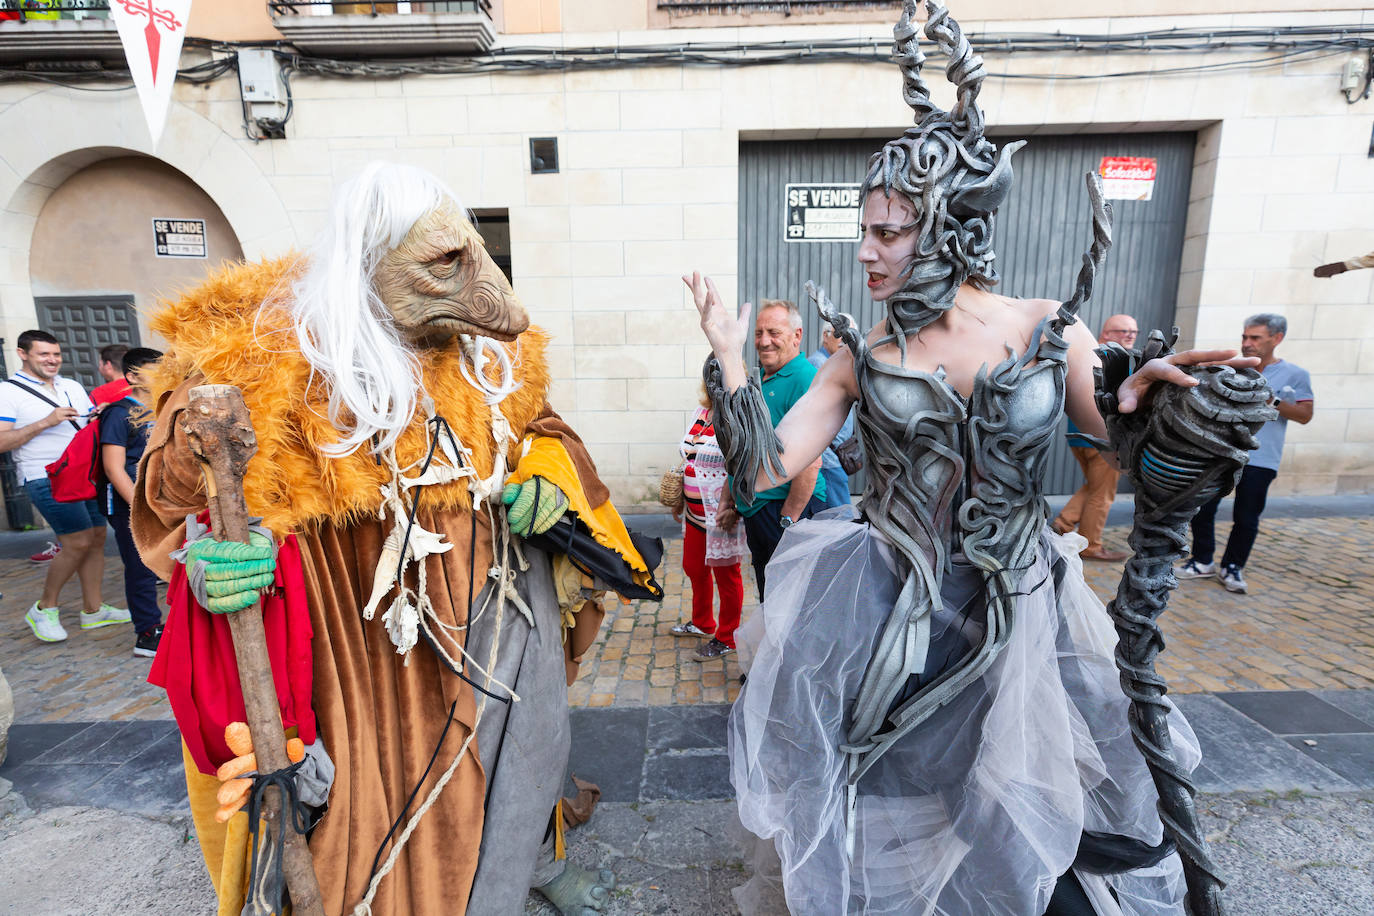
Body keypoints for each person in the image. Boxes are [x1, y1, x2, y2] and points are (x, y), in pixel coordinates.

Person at [685, 3, 1256, 912]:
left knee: (1038, 818)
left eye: (888, 231)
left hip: (1030, 613)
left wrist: (1159, 416)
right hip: (891, 613)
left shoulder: (1048, 331)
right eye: (865, 230)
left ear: (947, 225)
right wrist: (725, 358)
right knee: (898, 812)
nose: (865, 250)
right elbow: (760, 471)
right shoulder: (859, 355)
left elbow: (1131, 466)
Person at [132, 163, 653, 916]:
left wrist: (548, 473)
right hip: (359, 644)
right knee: (362, 803)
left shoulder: (496, 360)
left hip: (495, 612)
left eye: (474, 255)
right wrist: (210, 545)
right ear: (368, 263)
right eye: (443, 263)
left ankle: (533, 862)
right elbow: (172, 488)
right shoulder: (260, 356)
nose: (482, 287)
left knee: (523, 756)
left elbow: (544, 428)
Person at [0, 329, 125, 643]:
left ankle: (93, 611)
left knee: (97, 538)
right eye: (44, 354)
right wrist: (46, 421)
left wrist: (97, 417)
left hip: (83, 474)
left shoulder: (71, 385)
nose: (52, 360)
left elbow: (83, 428)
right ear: (23, 353)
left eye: (55, 354)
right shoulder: (8, 391)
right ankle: (44, 608)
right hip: (43, 476)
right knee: (77, 542)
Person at [1176, 313, 1313, 594]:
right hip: (1221, 453)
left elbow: (1304, 414)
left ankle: (1233, 566)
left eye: (1255, 338)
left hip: (1261, 459)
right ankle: (1202, 561)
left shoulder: (1296, 375)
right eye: (1245, 337)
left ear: (1277, 339)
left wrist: (1271, 400)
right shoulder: (1232, 368)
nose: (1247, 343)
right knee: (1202, 509)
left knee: (1247, 517)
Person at [732, 298, 826, 597]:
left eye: (773, 332)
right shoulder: (758, 377)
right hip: (759, 507)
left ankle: (789, 646)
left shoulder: (806, 378)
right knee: (769, 592)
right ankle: (773, 644)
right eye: (759, 333)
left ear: (797, 336)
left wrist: (789, 517)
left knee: (792, 597)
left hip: (785, 507)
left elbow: (811, 460)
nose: (763, 341)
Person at [669, 360, 748, 661]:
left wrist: (736, 507)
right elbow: (689, 457)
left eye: (723, 373)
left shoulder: (738, 416)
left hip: (721, 512)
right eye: (711, 374)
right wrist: (679, 498)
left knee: (727, 576)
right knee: (693, 567)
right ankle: (703, 622)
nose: (716, 379)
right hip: (693, 511)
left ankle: (728, 636)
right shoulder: (700, 413)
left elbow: (742, 465)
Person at [1051, 313, 1138, 561]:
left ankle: (1063, 523)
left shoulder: (1095, 353)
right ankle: (1091, 545)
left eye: (1133, 331)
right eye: (1123, 331)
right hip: (1104, 436)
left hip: (1081, 436)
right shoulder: (1108, 358)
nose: (1130, 335)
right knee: (1103, 493)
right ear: (1107, 333)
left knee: (1094, 486)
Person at [99, 347, 164, 658]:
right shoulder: (118, 412)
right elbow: (113, 467)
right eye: (155, 370)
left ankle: (163, 625)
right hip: (129, 503)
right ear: (132, 376)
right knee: (140, 567)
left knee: (160, 564)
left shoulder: (162, 407)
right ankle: (147, 633)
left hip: (158, 501)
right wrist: (141, 506)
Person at [808, 326, 857, 510]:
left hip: (835, 455)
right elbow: (818, 415)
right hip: (828, 458)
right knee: (841, 519)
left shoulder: (836, 362)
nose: (844, 339)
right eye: (839, 334)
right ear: (825, 335)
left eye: (850, 335)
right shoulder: (819, 364)